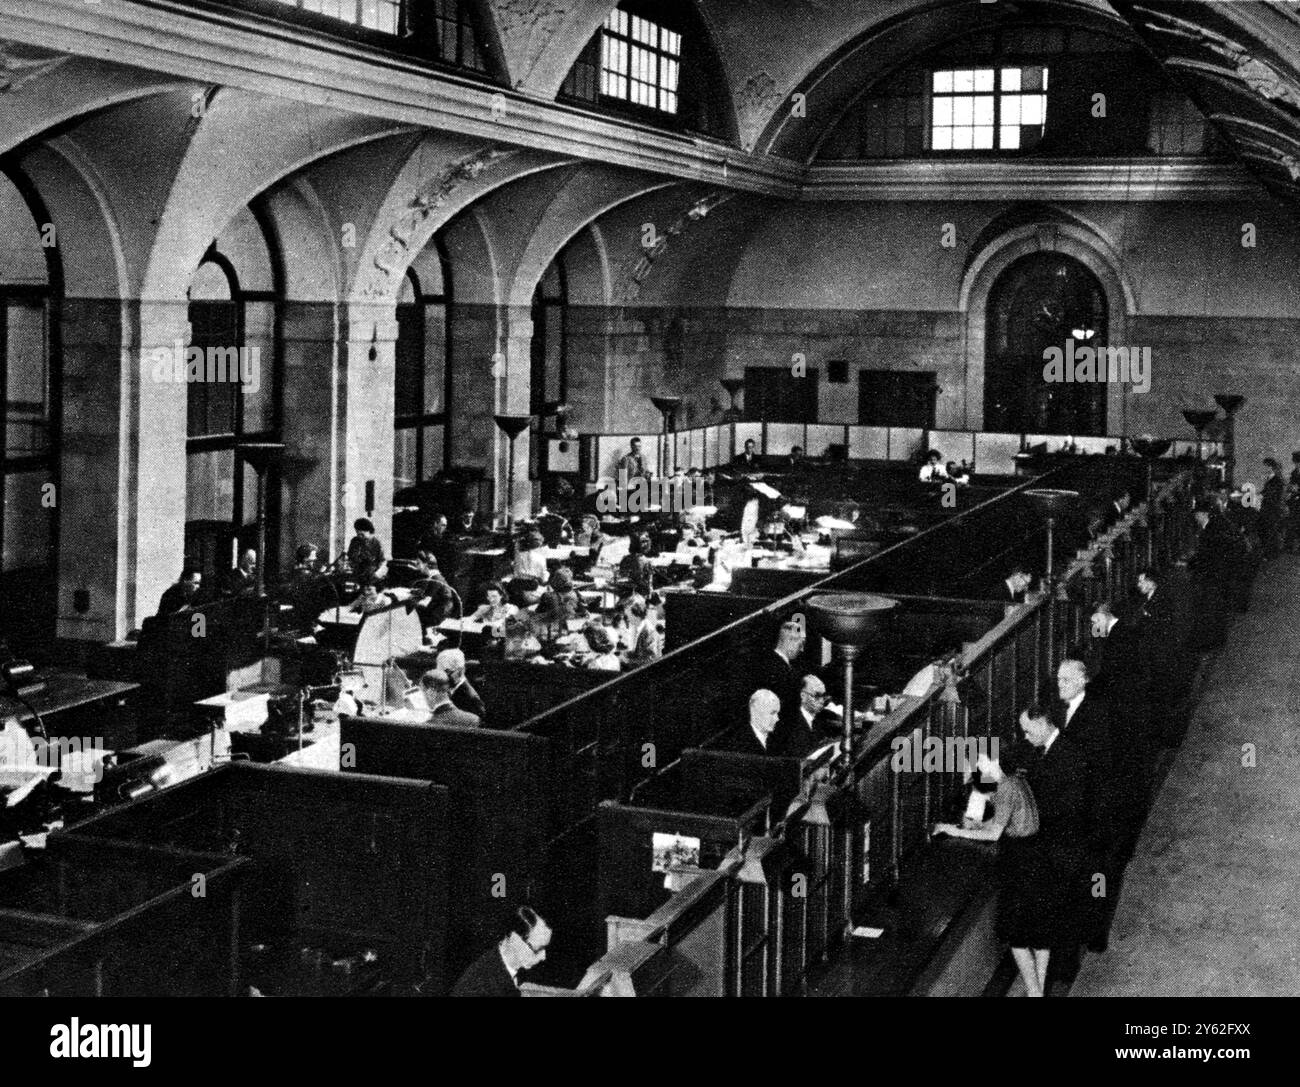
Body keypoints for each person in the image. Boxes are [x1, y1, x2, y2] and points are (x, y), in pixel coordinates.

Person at [933, 748, 1045, 996]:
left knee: (1015, 935)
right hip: (1035, 857)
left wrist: (956, 831)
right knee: (1038, 933)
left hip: (1019, 862)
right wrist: (964, 826)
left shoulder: (1004, 789)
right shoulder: (1015, 780)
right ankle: (1038, 990)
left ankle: (1035, 993)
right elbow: (1001, 822)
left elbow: (994, 833)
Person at [450, 906, 552, 997]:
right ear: (515, 940)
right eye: (538, 949)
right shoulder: (482, 986)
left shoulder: (499, 963)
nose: (543, 957)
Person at [750, 619, 805, 732]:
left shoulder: (774, 663)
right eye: (801, 644)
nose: (802, 649)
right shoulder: (779, 670)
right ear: (790, 641)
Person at [775, 674, 839, 759]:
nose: (822, 701)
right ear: (803, 696)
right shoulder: (791, 723)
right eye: (817, 696)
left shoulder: (819, 718)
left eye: (824, 696)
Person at [435, 648, 487, 721]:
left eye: (448, 672)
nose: (442, 676)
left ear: (460, 671)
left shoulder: (471, 698)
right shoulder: (444, 689)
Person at [725, 689, 781, 756]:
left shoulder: (777, 741)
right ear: (754, 712)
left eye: (777, 713)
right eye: (772, 713)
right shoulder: (737, 743)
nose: (777, 719)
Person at [535, 565, 587, 631]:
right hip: (570, 625)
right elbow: (582, 611)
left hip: (552, 628)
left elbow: (538, 611)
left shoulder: (547, 595)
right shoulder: (575, 594)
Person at [1259, 458, 1285, 561]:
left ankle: (1270, 555)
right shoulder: (1270, 479)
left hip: (1272, 509)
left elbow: (1272, 496)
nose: (1264, 468)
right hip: (1269, 509)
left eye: (1265, 466)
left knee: (1270, 532)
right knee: (1268, 532)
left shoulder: (1276, 480)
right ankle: (1269, 554)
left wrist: (1262, 496)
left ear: (1271, 467)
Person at [346, 518, 386, 584]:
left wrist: (377, 574)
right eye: (358, 534)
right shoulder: (355, 541)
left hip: (373, 577)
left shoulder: (377, 543)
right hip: (357, 576)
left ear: (369, 531)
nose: (360, 537)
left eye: (362, 534)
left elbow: (383, 562)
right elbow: (350, 557)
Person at [1286, 452, 1300, 553]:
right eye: (1295, 463)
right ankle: (1290, 546)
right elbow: (1290, 485)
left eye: (1298, 463)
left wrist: (1297, 490)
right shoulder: (1294, 473)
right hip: (1294, 503)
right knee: (1293, 523)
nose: (1297, 465)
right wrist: (1291, 489)